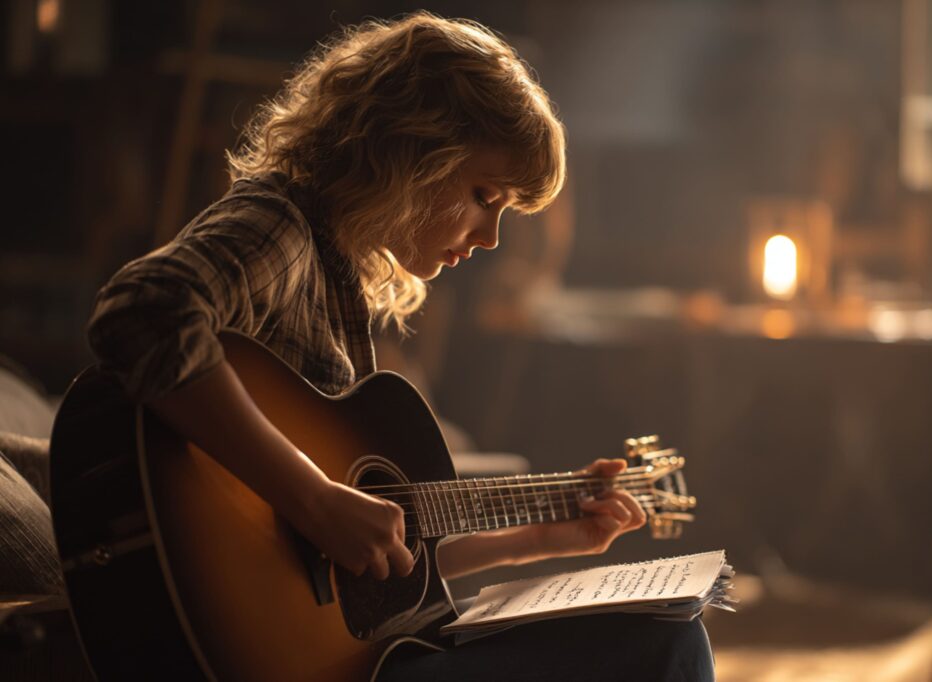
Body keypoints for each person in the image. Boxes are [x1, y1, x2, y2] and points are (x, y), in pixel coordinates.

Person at [87, 13, 714, 681]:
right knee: (666, 645)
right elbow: (143, 311)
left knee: (667, 626)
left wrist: (535, 540)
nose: (491, 238)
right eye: (484, 196)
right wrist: (314, 497)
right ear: (412, 151)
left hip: (330, 653)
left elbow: (371, 562)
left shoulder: (335, 277)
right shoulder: (281, 226)